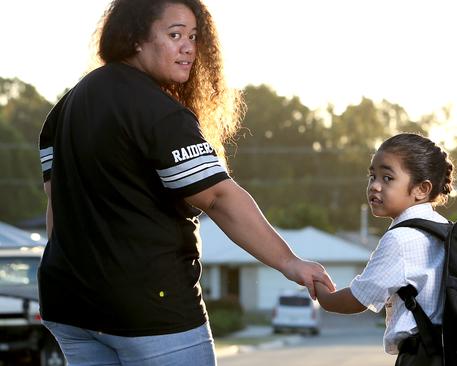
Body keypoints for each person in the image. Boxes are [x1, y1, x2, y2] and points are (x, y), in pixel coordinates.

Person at [37, 0, 334, 365]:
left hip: (69, 304)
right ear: (134, 39)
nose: (189, 47)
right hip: (148, 310)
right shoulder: (158, 112)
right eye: (174, 34)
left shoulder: (64, 108)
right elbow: (219, 198)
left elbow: (56, 207)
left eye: (193, 36)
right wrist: (290, 263)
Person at [315, 133, 455, 366]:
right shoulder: (446, 230)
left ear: (422, 189)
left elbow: (359, 299)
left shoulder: (400, 240)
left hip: (424, 356)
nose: (375, 186)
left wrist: (322, 292)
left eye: (388, 178)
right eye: (372, 176)